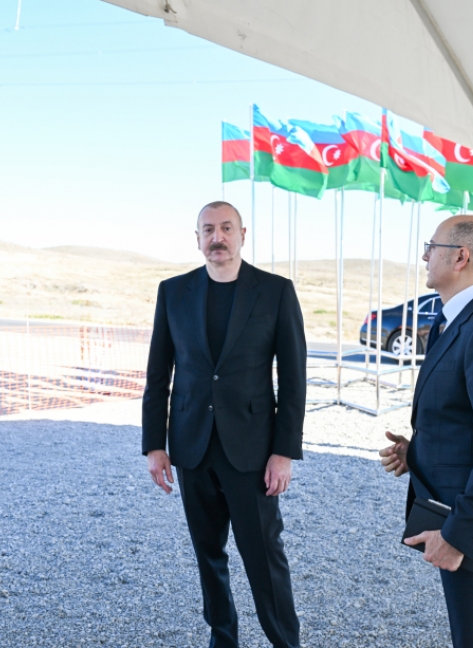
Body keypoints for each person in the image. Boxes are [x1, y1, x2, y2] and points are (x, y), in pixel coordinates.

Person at [142, 201, 306, 648]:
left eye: (226, 228)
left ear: (242, 235)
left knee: (264, 557)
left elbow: (294, 379)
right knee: (208, 555)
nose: (218, 237)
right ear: (197, 238)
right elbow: (158, 375)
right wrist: (154, 444)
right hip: (191, 447)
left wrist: (284, 452)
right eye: (209, 229)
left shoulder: (275, 292)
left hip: (252, 451)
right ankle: (223, 637)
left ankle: (285, 642)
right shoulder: (173, 292)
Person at [379, 215, 473, 648]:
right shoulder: (459, 319)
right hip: (457, 509)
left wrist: (459, 535)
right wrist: (418, 451)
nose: (425, 256)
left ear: (460, 257)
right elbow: (464, 418)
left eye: (432, 246)